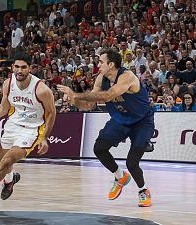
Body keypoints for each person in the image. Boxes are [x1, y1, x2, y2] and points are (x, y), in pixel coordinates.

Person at [58, 48, 154, 207]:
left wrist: (76, 94)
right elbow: (89, 105)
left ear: (111, 64)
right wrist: (73, 101)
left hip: (142, 121)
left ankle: (143, 190)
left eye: (101, 62)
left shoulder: (127, 76)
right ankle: (120, 177)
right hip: (120, 120)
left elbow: (109, 95)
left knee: (132, 162)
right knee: (99, 148)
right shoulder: (100, 78)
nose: (98, 64)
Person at [0, 52, 56, 212]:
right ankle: (10, 180)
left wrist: (44, 137)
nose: (19, 70)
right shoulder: (8, 83)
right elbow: (3, 108)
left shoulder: (41, 89)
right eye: (17, 67)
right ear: (12, 67)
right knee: (1, 162)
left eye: (23, 67)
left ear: (30, 68)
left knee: (7, 161)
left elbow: (51, 113)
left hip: (31, 130)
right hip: (12, 125)